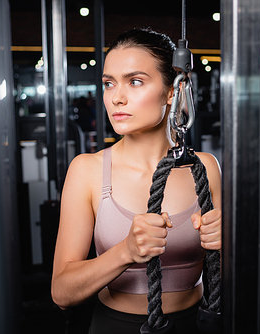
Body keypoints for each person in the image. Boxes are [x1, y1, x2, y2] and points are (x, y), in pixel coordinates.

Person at [51, 28, 222, 333]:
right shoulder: (87, 170)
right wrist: (126, 252)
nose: (116, 97)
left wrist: (230, 243)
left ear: (172, 91)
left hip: (197, 325)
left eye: (135, 81)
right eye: (108, 83)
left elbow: (228, 275)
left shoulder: (204, 168)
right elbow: (62, 294)